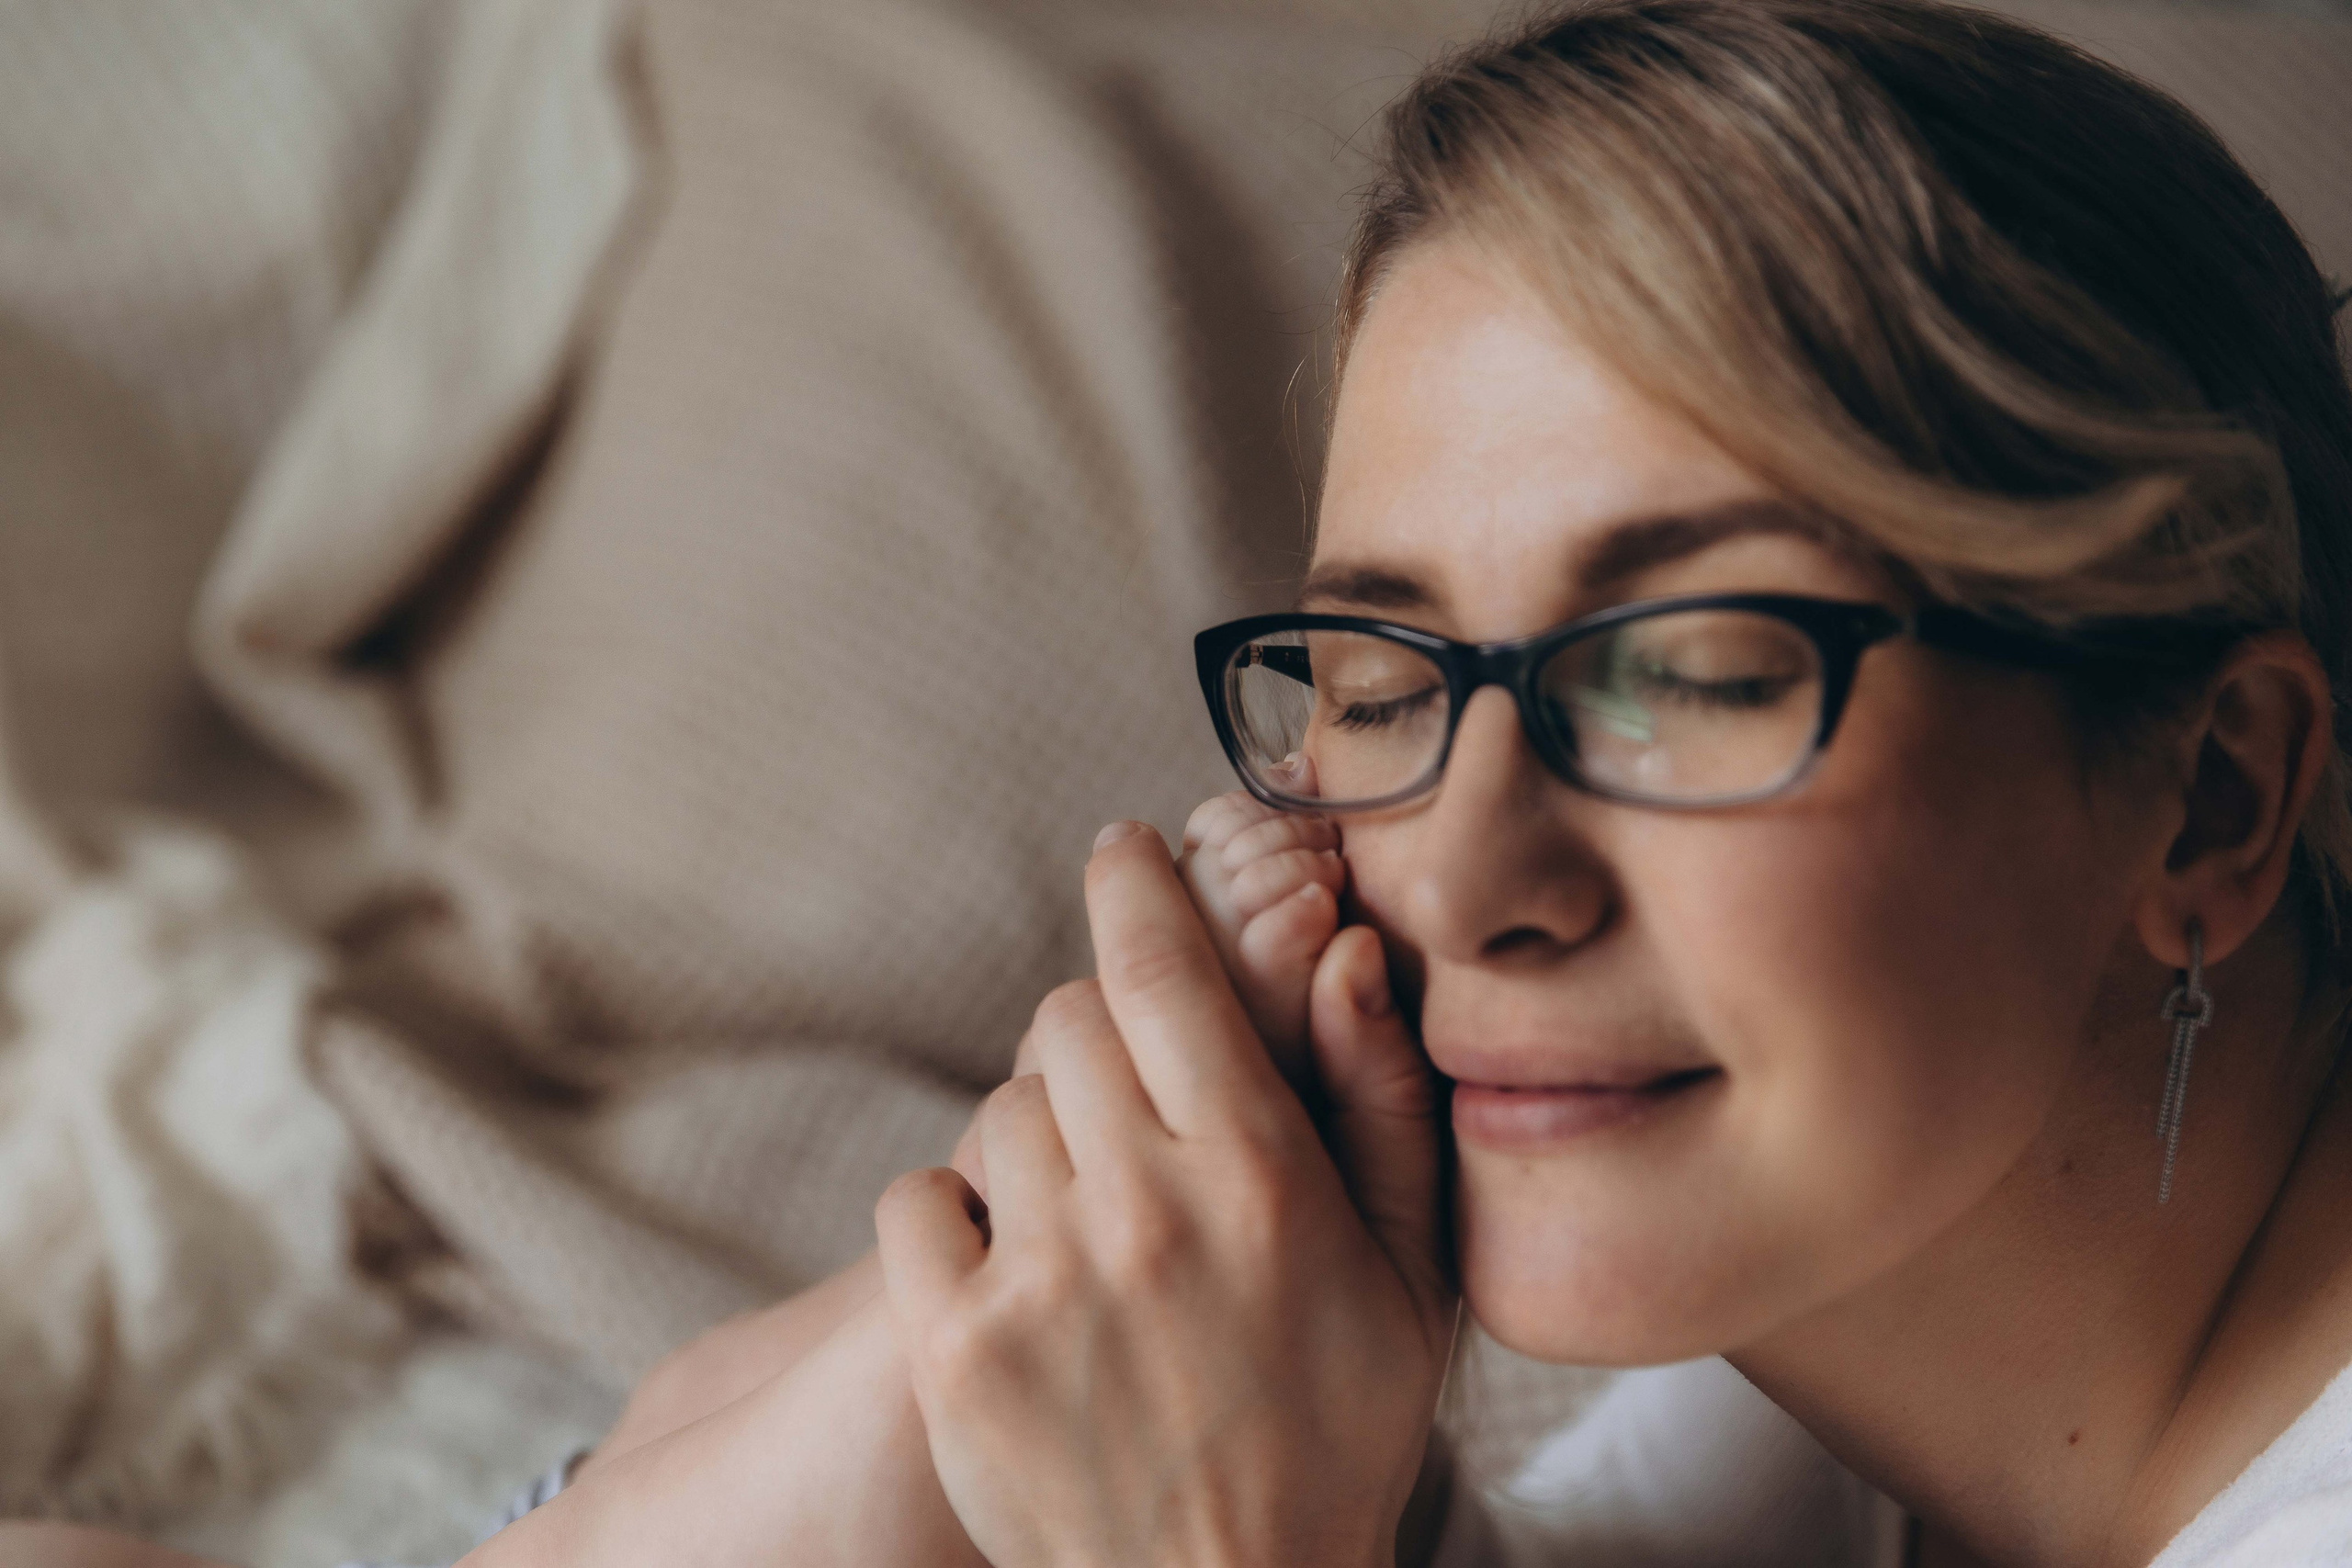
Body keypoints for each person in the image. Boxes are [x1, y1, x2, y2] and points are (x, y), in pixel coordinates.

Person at [15, 0, 2352, 1562]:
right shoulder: (1864, 1365)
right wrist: (1040, 1271)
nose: (1461, 866)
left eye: (1691, 667)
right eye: (1380, 665)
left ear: (2208, 804)